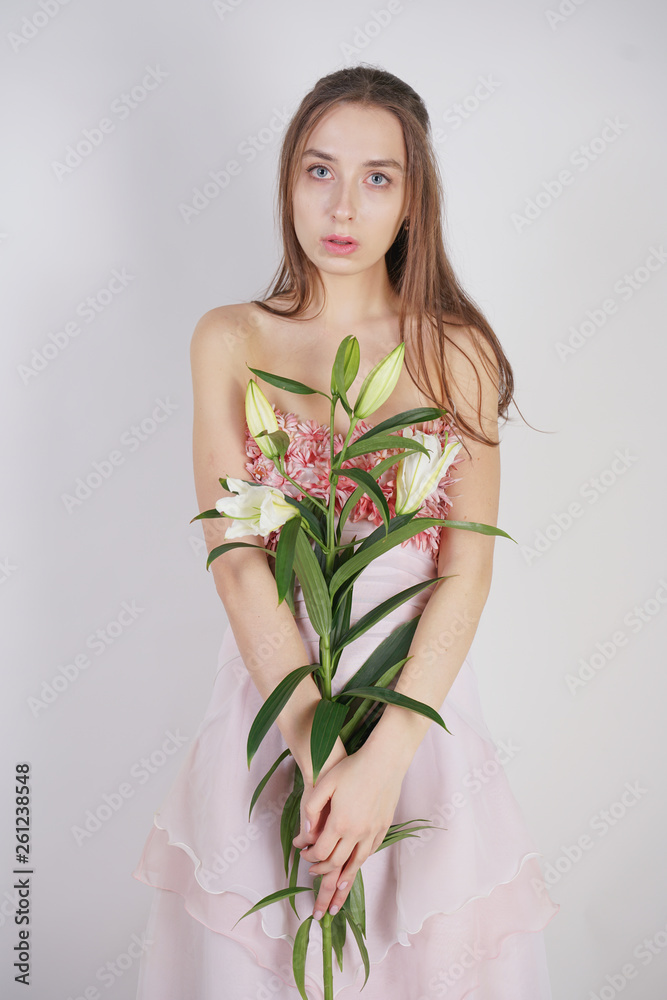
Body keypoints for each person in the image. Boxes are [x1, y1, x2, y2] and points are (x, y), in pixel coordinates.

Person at [132, 65, 560, 998]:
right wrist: (315, 743)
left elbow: (465, 573)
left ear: (413, 201)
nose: (341, 205)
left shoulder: (459, 353)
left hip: (419, 713)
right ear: (288, 179)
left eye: (377, 178)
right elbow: (239, 557)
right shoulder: (230, 338)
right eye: (319, 170)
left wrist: (382, 762)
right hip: (274, 698)